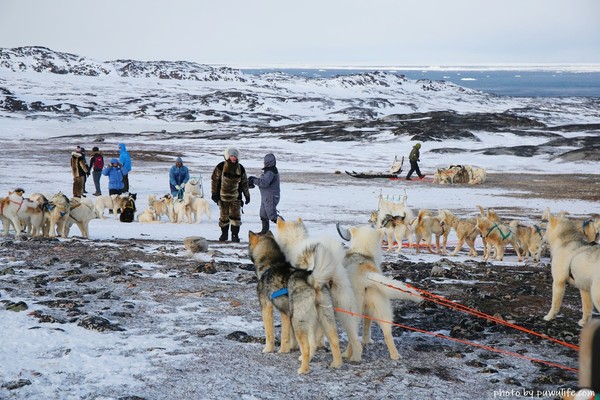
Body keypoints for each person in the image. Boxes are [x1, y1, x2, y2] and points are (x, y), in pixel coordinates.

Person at [211, 147, 250, 243]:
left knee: (235, 217)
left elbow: (244, 183)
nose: (233, 158)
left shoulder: (240, 168)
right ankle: (224, 234)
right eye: (232, 156)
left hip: (235, 197)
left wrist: (247, 195)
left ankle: (235, 235)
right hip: (222, 197)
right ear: (228, 156)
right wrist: (214, 194)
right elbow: (215, 181)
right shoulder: (221, 166)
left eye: (235, 156)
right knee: (224, 217)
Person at [248, 153, 281, 235]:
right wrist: (254, 180)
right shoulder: (268, 171)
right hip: (266, 196)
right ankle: (265, 231)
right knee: (263, 214)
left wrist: (253, 180)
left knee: (272, 215)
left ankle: (287, 229)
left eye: (265, 161)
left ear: (268, 162)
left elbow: (264, 183)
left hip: (271, 196)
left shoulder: (271, 172)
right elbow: (263, 181)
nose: (264, 162)